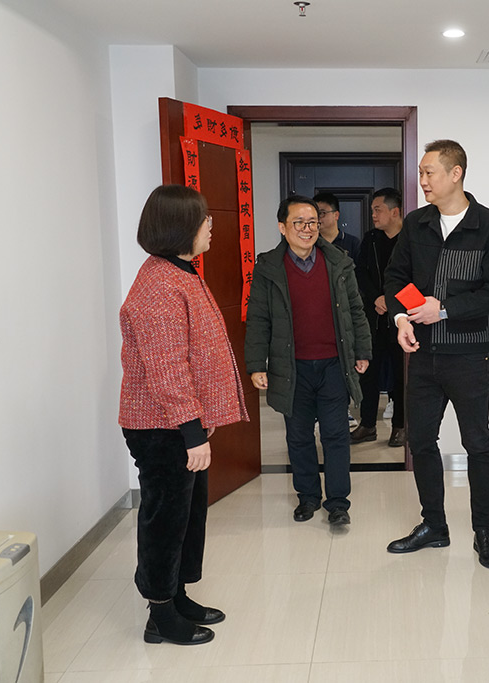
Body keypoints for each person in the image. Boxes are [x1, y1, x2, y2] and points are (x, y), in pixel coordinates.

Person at [119, 184, 249, 646]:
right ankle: (160, 613)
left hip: (178, 423)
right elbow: (168, 367)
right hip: (162, 426)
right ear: (180, 227)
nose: (210, 225)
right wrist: (192, 432)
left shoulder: (180, 271)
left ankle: (176, 595)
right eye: (203, 218)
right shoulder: (159, 285)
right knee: (166, 520)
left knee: (187, 515)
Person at [384, 140, 489, 569]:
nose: (422, 181)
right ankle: (434, 526)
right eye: (421, 173)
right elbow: (397, 277)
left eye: (429, 173)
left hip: (470, 355)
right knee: (421, 441)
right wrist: (402, 319)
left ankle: (483, 531)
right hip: (423, 354)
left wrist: (445, 309)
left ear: (456, 173)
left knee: (477, 443)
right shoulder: (416, 224)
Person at [245, 195, 372, 526]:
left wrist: (362, 351)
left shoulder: (339, 262)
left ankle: (338, 502)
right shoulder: (268, 268)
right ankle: (308, 497)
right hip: (291, 368)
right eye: (299, 222)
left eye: (312, 222)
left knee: (335, 435)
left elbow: (356, 310)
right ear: (282, 227)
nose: (307, 229)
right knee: (298, 436)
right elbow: (258, 319)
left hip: (333, 365)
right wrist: (256, 365)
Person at [350, 187, 407, 448]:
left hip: (401, 321)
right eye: (373, 210)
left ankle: (400, 426)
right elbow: (360, 272)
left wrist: (392, 301)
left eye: (378, 209)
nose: (373, 214)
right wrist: (376, 298)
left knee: (400, 375)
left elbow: (416, 277)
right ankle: (368, 425)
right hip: (373, 318)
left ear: (395, 212)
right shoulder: (371, 239)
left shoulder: (409, 239)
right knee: (368, 373)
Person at [314, 192, 361, 259]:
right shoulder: (312, 242)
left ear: (336, 215)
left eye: (322, 213)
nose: (318, 217)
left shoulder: (352, 242)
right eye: (315, 213)